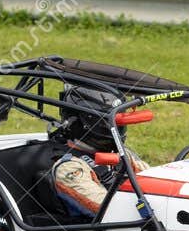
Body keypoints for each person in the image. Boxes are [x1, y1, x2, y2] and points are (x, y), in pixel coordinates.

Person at [49, 86, 147, 218]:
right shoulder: (69, 168)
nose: (116, 129)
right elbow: (109, 210)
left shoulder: (120, 154)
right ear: (81, 124)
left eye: (118, 123)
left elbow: (155, 179)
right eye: (109, 124)